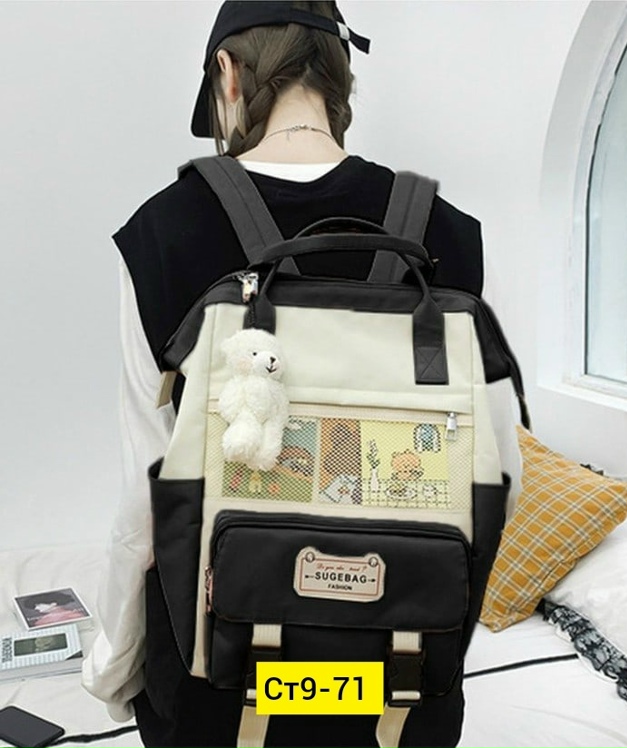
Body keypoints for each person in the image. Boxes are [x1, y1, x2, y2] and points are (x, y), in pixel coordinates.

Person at [82, 2, 523, 746]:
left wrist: (113, 666)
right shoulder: (453, 233)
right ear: (340, 75)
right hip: (403, 682)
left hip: (214, 689)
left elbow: (144, 505)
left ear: (228, 74)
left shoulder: (159, 233)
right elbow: (500, 476)